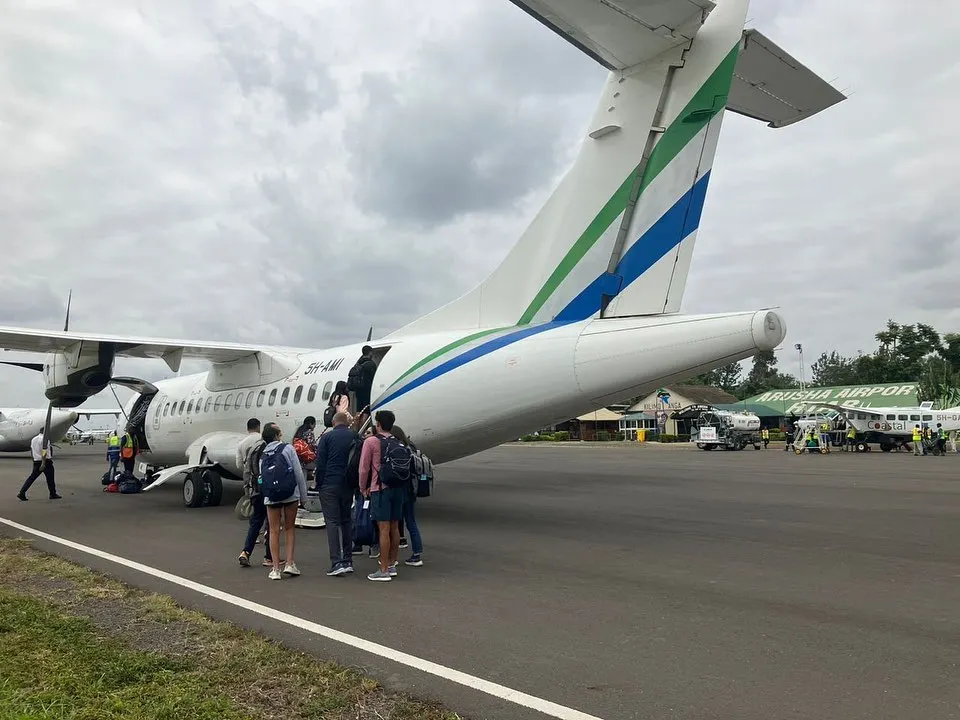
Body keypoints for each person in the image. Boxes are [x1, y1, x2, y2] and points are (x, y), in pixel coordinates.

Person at [359, 409, 407, 582]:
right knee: (395, 528)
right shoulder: (398, 441)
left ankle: (383, 568)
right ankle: (392, 564)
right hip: (397, 488)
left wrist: (362, 487)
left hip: (380, 488)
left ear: (378, 424)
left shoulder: (371, 441)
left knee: (383, 529)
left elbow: (364, 468)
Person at [315, 411, 361, 576]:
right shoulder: (355, 436)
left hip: (329, 483)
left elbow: (320, 464)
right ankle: (348, 559)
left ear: (334, 423)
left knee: (332, 522)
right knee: (346, 520)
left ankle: (336, 562)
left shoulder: (326, 438)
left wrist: (318, 483)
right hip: (348, 484)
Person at [261, 423, 308, 580]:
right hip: (290, 494)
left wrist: (266, 495)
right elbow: (298, 473)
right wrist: (303, 496)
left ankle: (275, 569)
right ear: (276, 435)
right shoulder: (288, 449)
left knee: (274, 531)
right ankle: (289, 563)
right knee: (289, 528)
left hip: (271, 497)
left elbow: (262, 478)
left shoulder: (264, 454)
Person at [236, 419, 274, 568]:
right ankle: (269, 557)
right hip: (267, 491)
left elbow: (243, 468)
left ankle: (246, 552)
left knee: (255, 522)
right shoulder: (269, 449)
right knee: (271, 524)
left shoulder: (250, 448)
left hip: (254, 491)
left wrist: (248, 491)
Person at [391, 425, 423, 567]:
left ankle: (392, 556)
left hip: (400, 490)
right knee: (411, 522)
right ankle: (417, 552)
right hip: (411, 490)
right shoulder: (411, 448)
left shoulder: (396, 449)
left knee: (393, 524)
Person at [18, 431, 61, 501]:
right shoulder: (45, 439)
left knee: (31, 478)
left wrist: (34, 460)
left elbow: (32, 450)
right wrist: (43, 463)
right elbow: (44, 451)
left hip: (36, 461)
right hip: (46, 462)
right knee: (50, 479)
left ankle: (22, 492)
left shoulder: (34, 439)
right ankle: (53, 494)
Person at [347, 346, 378, 414]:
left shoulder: (358, 363)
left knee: (359, 410)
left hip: (358, 390)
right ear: (370, 352)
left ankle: (357, 424)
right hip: (367, 390)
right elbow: (374, 377)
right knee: (366, 411)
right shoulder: (371, 364)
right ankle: (363, 424)